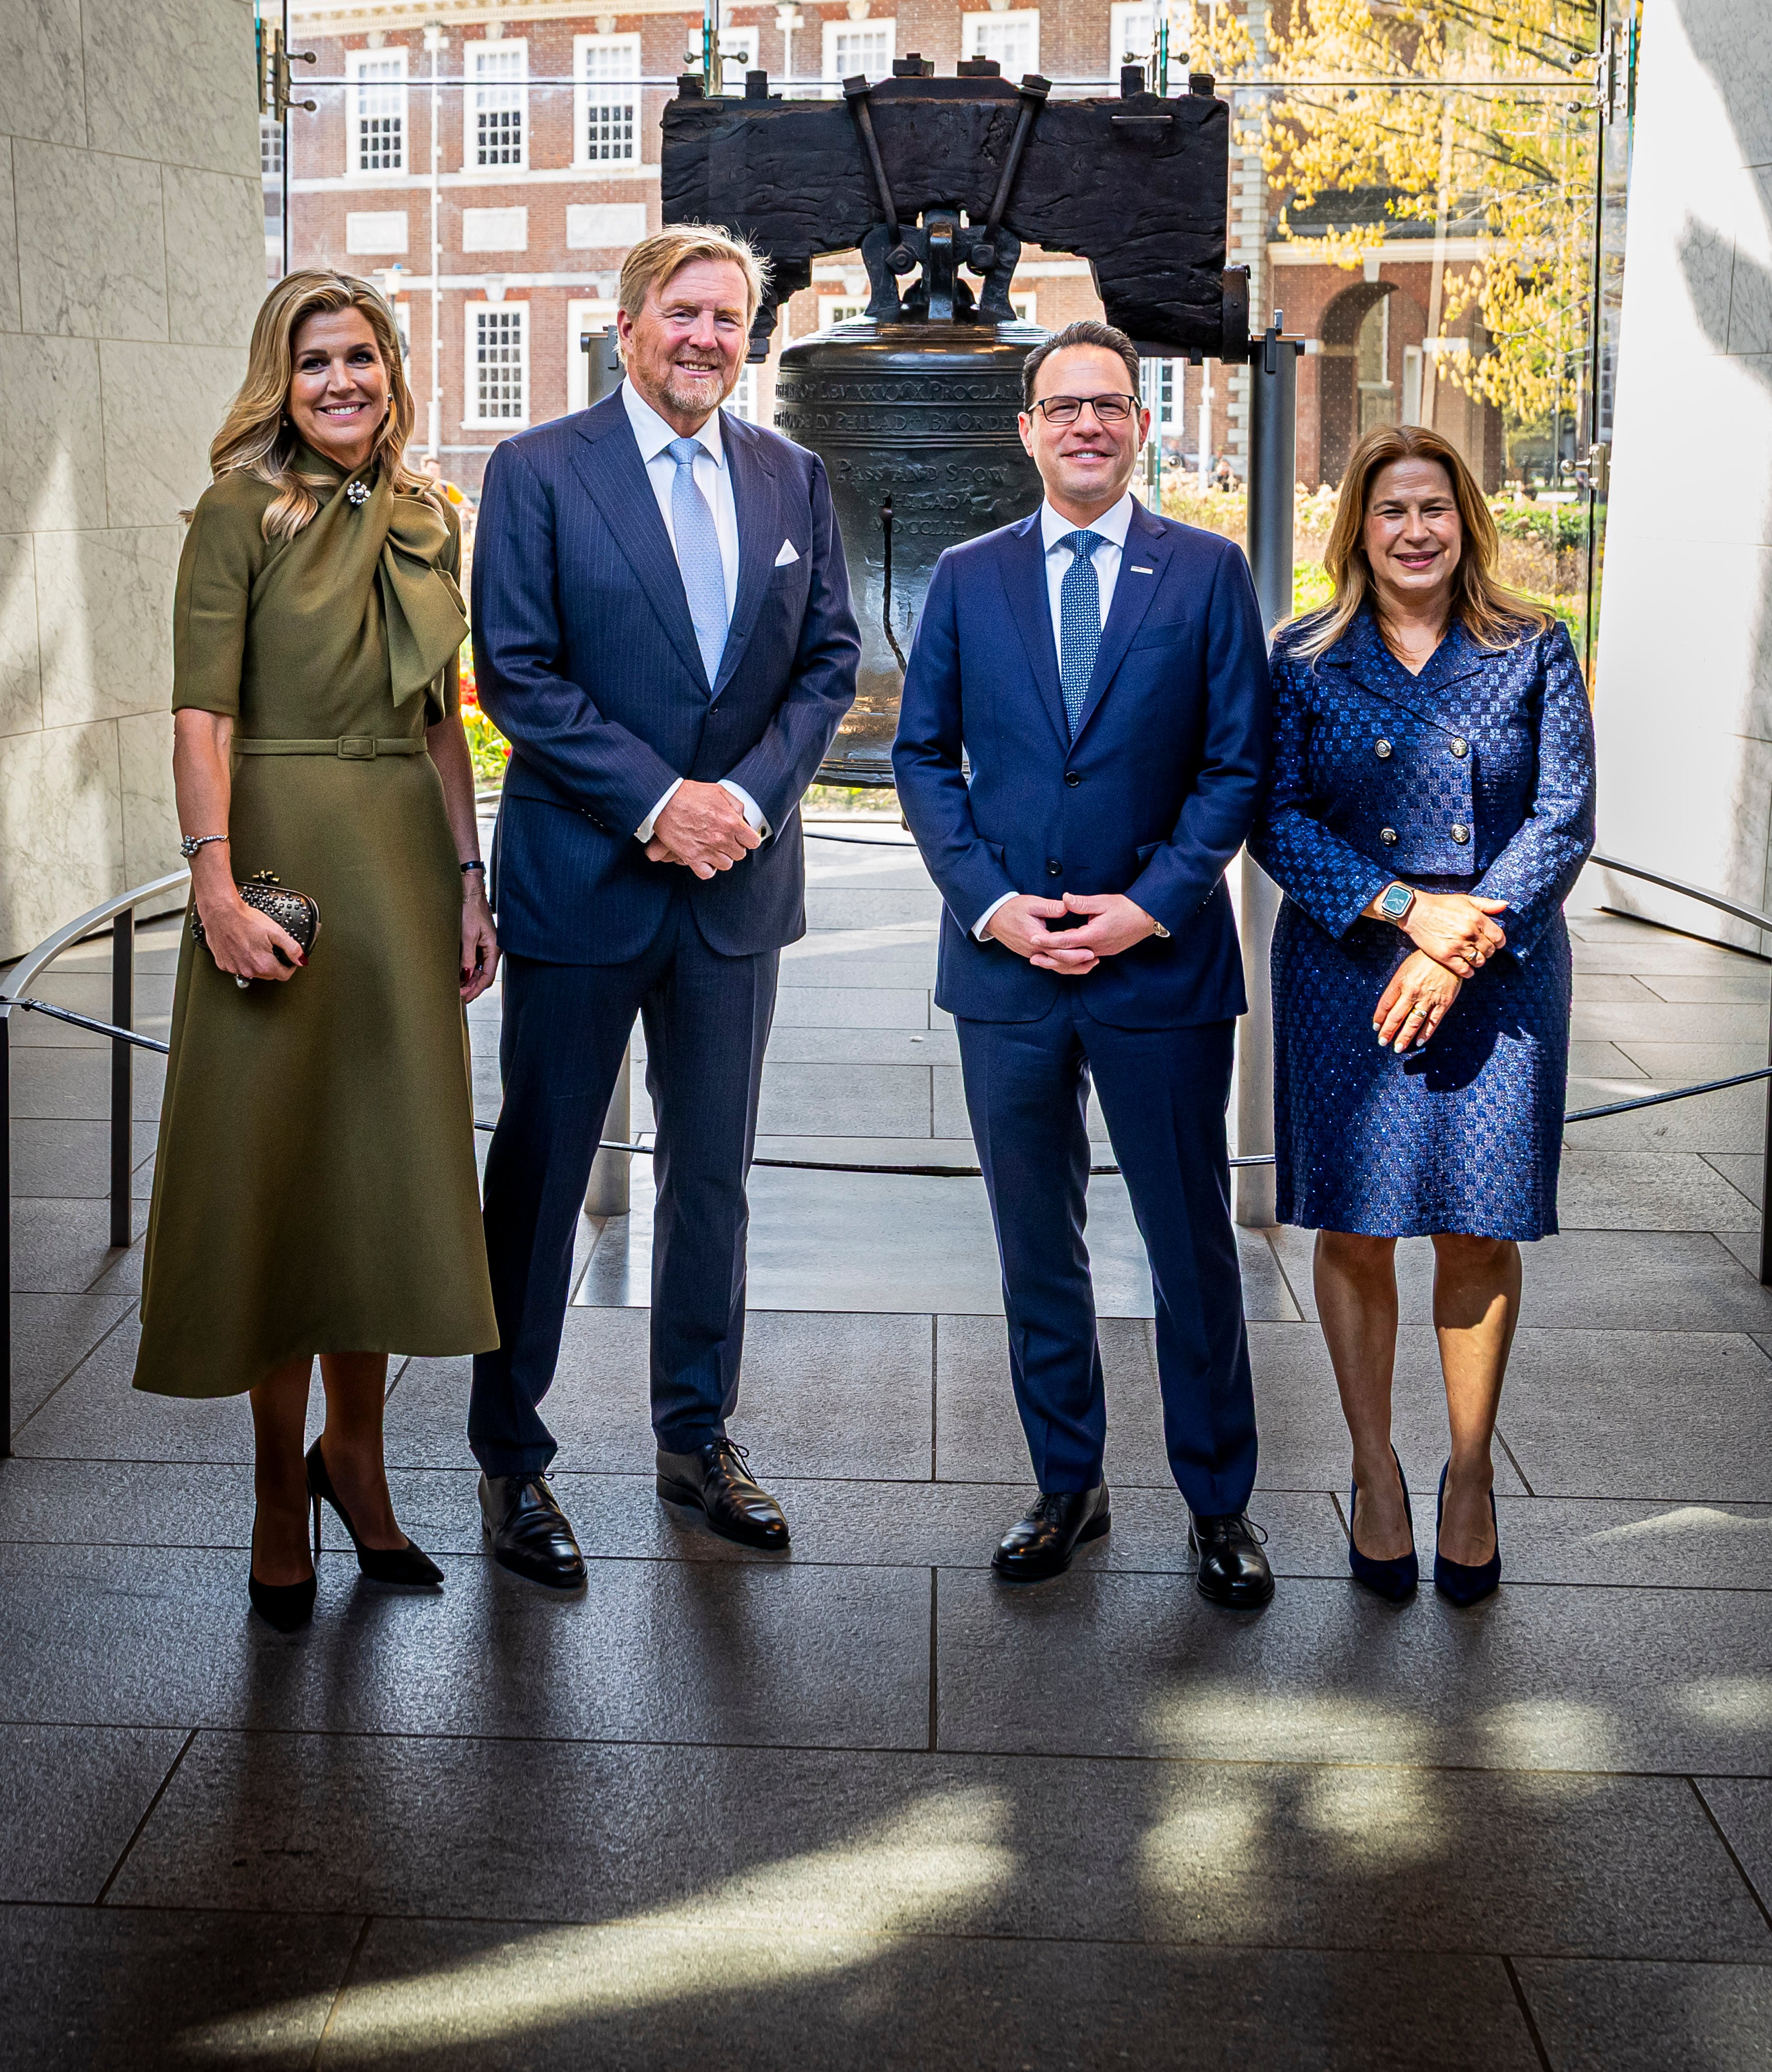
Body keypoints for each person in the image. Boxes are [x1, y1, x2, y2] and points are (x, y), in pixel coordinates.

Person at [468, 225, 860, 1587]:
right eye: (682, 311)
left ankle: (695, 1437)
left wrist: (741, 803)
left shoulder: (792, 476)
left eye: (728, 318)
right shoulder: (535, 473)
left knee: (711, 1177)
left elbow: (827, 662)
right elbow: (514, 670)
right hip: (584, 879)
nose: (705, 336)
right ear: (628, 321)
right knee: (540, 1174)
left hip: (733, 890)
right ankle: (510, 1458)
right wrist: (660, 802)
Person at [135, 271, 498, 1629]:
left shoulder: (425, 515)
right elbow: (197, 722)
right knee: (281, 1182)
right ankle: (277, 1494)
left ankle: (357, 1456)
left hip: (402, 873)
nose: (341, 381)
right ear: (277, 381)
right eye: (313, 363)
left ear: (393, 368)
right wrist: (214, 886)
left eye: (360, 356)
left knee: (381, 1177)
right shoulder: (238, 511)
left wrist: (469, 881)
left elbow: (434, 724)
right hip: (278, 865)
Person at [893, 320, 1275, 1608]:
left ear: (1142, 421)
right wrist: (990, 903)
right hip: (1004, 970)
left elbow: (1237, 763)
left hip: (1157, 967)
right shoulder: (965, 575)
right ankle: (1068, 1481)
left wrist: (1153, 904)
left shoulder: (1208, 573)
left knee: (1187, 1242)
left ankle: (1219, 1502)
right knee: (1034, 1244)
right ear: (1026, 429)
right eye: (1061, 408)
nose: (1086, 427)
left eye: (1108, 405)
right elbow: (920, 758)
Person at [1252, 423, 1594, 1606]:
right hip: (1349, 970)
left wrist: (1464, 936)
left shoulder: (1534, 645)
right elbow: (1278, 818)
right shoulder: (1303, 654)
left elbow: (1564, 815)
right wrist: (1405, 910)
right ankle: (1372, 1469)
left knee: (1476, 1228)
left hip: (1497, 976)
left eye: (1434, 510)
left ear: (1466, 524)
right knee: (1353, 1230)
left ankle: (1465, 1474)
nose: (1414, 531)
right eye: (1392, 509)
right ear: (1357, 525)